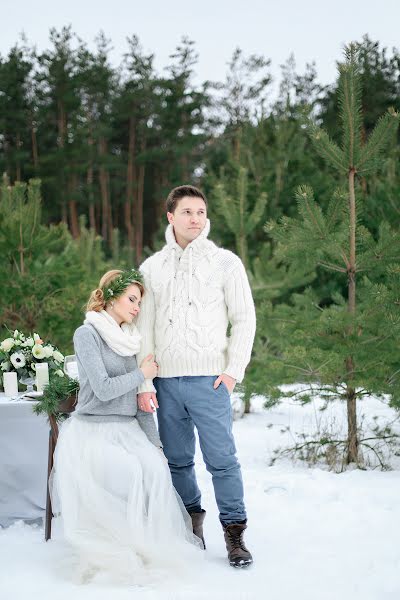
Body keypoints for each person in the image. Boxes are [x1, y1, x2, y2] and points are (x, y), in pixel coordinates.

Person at [51, 268, 202, 584]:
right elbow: (104, 388)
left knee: (155, 469)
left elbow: (141, 404)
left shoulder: (132, 341)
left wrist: (156, 446)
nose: (136, 307)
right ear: (110, 296)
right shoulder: (87, 334)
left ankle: (144, 542)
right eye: (132, 299)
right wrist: (141, 373)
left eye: (139, 302)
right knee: (130, 473)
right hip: (93, 430)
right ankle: (116, 544)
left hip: (127, 429)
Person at [136, 185, 256, 568]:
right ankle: (191, 524)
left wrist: (233, 371)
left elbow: (244, 319)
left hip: (210, 381)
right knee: (177, 460)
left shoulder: (226, 263)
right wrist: (144, 381)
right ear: (170, 217)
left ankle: (235, 535)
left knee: (222, 460)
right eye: (187, 212)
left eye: (201, 212)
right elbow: (145, 327)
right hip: (167, 384)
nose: (195, 219)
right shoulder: (151, 268)